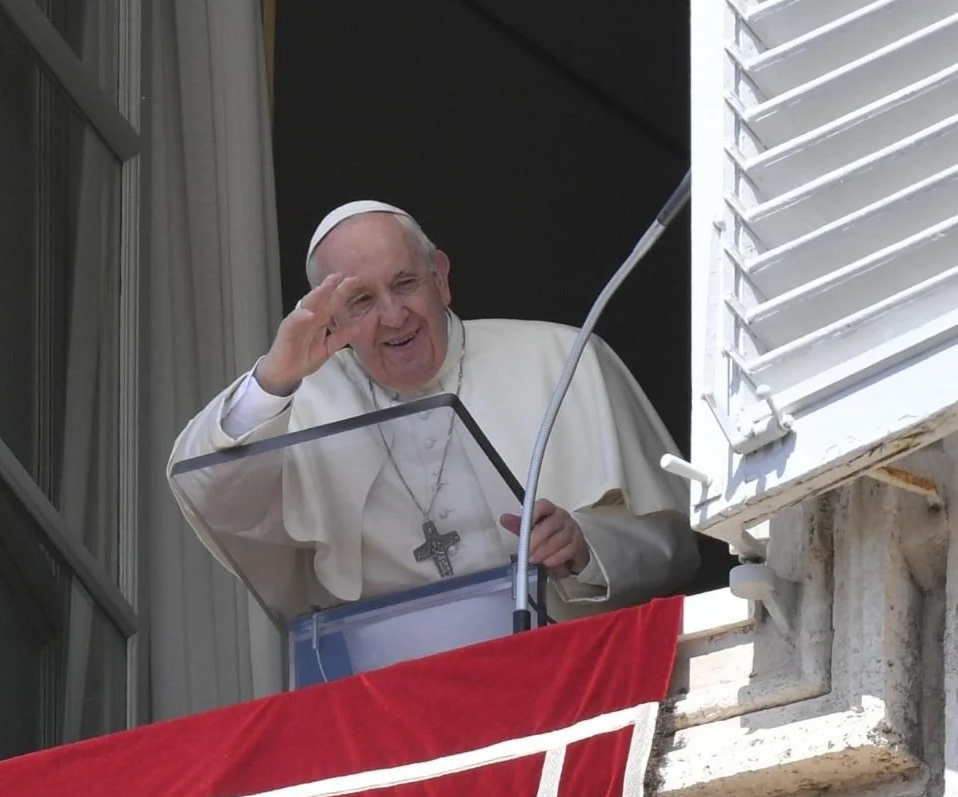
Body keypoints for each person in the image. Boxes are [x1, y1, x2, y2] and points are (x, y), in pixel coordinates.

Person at [167, 200, 699, 625]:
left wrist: (586, 548)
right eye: (361, 302)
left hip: (559, 670)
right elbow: (207, 489)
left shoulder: (563, 358)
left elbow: (677, 545)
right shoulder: (300, 405)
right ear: (330, 315)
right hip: (391, 703)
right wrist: (274, 377)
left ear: (439, 276)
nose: (394, 316)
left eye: (405, 284)